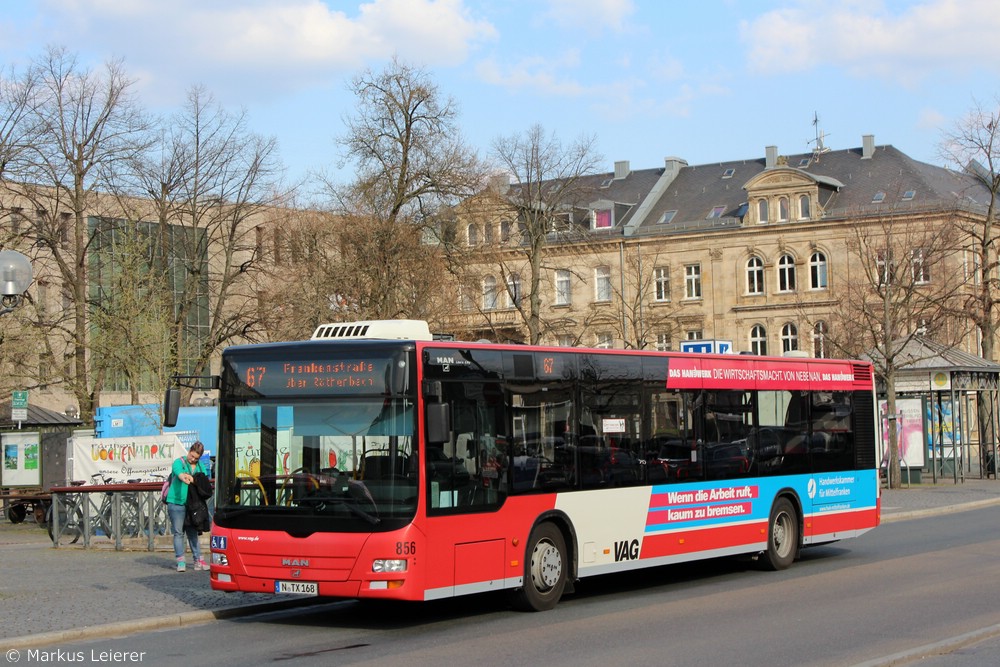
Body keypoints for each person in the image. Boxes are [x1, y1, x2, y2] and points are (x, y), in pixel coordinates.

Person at [165, 441, 209, 572]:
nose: (193, 459)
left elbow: (204, 482)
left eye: (196, 458)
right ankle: (181, 561)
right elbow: (177, 471)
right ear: (189, 451)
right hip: (176, 502)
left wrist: (193, 479)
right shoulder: (179, 462)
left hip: (193, 505)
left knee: (193, 532)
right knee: (178, 532)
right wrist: (182, 476)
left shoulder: (201, 466)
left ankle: (198, 560)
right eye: (192, 456)